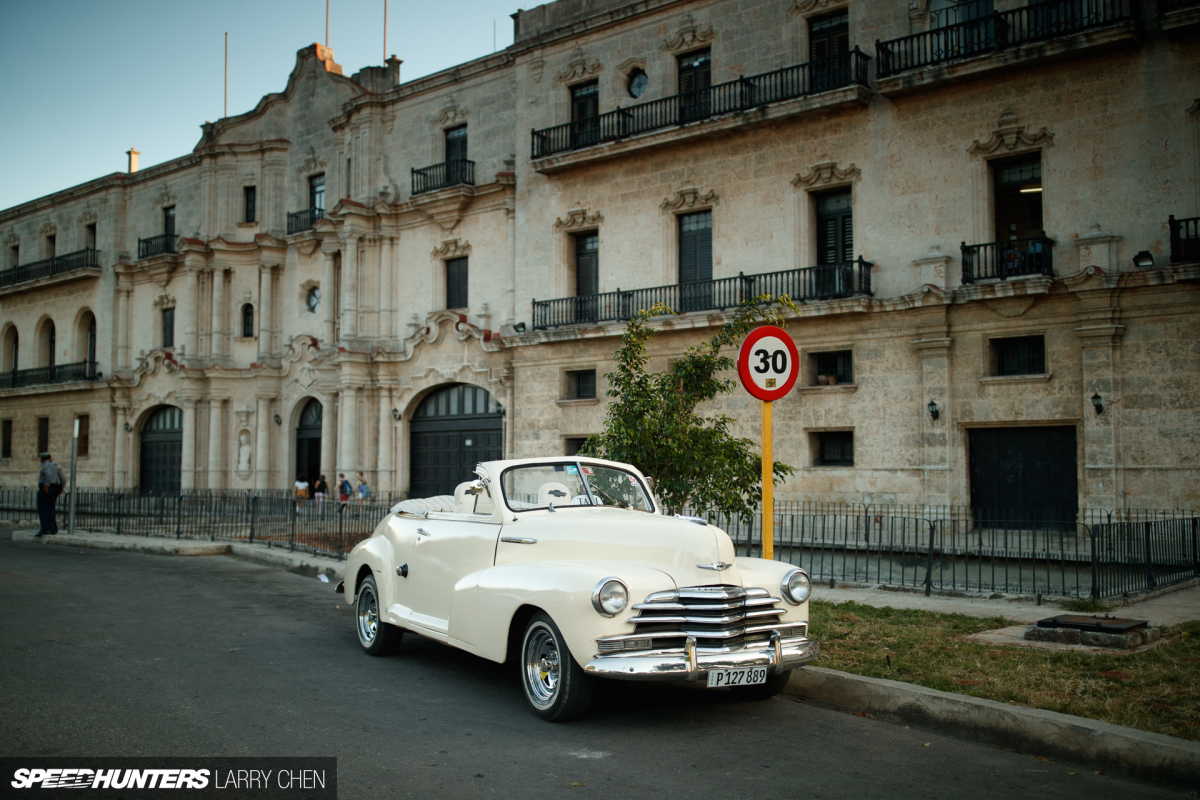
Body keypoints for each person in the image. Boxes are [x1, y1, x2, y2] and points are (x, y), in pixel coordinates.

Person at [35, 452, 65, 537]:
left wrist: (46, 485)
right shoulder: (55, 466)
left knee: (42, 508)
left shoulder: (45, 465)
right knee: (51, 508)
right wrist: (61, 487)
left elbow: (48, 474)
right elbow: (63, 478)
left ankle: (44, 528)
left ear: (42, 459)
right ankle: (52, 528)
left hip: (46, 489)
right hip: (54, 488)